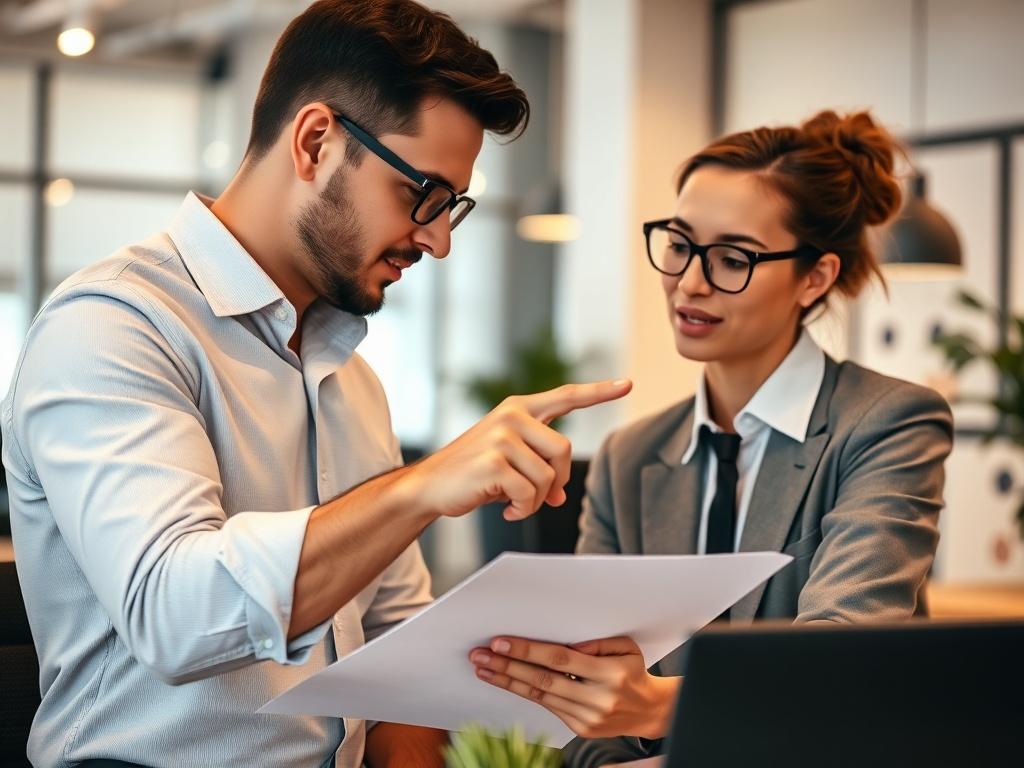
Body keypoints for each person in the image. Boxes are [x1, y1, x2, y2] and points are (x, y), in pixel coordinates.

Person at [0, 1, 631, 766]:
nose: (437, 239)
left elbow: (399, 646)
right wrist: (423, 487)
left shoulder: (352, 378)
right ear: (316, 142)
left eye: (453, 209)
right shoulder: (112, 328)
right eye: (422, 195)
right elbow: (171, 613)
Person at [469, 110, 954, 766]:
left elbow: (842, 663)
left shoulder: (886, 424)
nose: (690, 280)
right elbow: (585, 723)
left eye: (733, 258)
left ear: (815, 278)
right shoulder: (629, 457)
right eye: (679, 243)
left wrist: (661, 703)